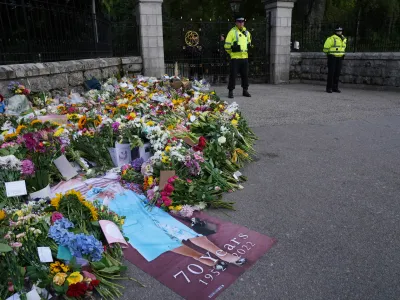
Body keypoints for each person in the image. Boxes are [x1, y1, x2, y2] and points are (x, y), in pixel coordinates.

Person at [224, 15, 252, 99]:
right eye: (239, 22)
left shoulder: (247, 33)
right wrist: (232, 52)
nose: (241, 23)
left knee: (245, 75)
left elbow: (249, 44)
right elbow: (226, 46)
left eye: (242, 22)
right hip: (235, 58)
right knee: (233, 75)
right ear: (236, 22)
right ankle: (230, 91)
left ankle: (245, 90)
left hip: (244, 57)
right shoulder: (232, 32)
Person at [323, 25, 347, 93]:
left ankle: (335, 87)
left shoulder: (344, 38)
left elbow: (343, 48)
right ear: (335, 31)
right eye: (338, 31)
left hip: (340, 57)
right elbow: (325, 48)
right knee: (331, 73)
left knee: (337, 73)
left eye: (340, 31)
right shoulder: (331, 38)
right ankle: (329, 88)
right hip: (332, 57)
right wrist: (329, 54)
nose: (339, 32)